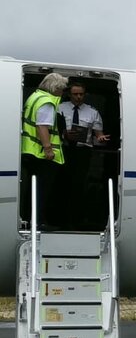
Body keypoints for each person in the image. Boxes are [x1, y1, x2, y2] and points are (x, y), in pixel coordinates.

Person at [20, 72, 70, 229]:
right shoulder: (47, 102)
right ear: (55, 88)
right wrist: (48, 149)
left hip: (30, 150)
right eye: (61, 89)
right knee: (43, 189)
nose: (62, 93)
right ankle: (39, 221)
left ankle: (30, 217)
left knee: (32, 188)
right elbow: (42, 126)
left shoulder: (34, 97)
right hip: (41, 154)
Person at [59, 81, 111, 230]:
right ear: (70, 94)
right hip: (64, 150)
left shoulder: (92, 112)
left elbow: (98, 134)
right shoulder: (60, 108)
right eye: (75, 94)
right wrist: (64, 133)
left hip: (83, 152)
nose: (78, 97)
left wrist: (100, 138)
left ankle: (75, 220)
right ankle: (58, 218)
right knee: (62, 184)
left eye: (81, 94)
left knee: (78, 185)